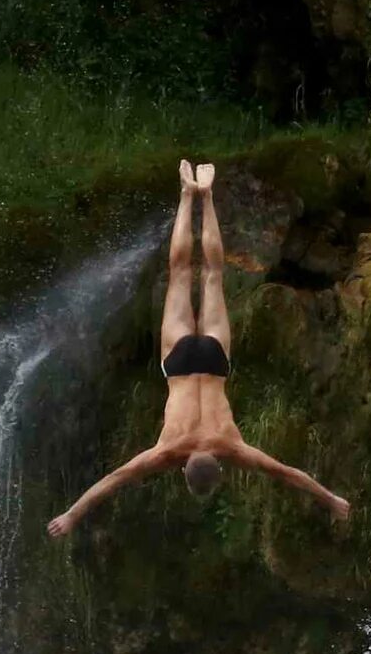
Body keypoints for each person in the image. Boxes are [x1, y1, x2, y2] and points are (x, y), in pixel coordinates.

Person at [47, 161, 351, 538]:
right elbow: (118, 478)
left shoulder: (231, 447)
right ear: (184, 470)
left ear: (219, 470)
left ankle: (202, 194)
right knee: (183, 274)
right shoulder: (168, 452)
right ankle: (188, 194)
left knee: (210, 274)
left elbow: (288, 474)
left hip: (213, 359)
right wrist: (72, 515)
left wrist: (332, 500)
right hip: (177, 362)